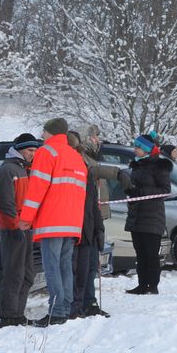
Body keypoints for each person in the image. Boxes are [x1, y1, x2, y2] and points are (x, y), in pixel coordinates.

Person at [19, 118, 88, 326]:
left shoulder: (46, 152)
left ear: (50, 132)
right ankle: (65, 308)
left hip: (52, 221)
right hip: (72, 222)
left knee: (52, 267)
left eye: (44, 131)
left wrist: (26, 218)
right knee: (65, 266)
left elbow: (36, 189)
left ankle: (56, 311)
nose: (42, 135)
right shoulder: (76, 157)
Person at [0, 133, 40, 328]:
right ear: (20, 149)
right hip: (13, 229)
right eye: (30, 150)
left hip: (27, 228)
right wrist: (15, 226)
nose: (32, 154)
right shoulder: (8, 170)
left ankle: (18, 313)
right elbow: (6, 203)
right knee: (14, 274)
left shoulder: (25, 169)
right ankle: (8, 316)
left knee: (27, 274)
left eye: (35, 150)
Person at [67, 130, 109, 317]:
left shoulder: (85, 163)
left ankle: (89, 302)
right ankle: (75, 304)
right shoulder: (73, 165)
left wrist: (99, 228)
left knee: (90, 268)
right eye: (93, 137)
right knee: (77, 270)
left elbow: (92, 202)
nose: (96, 140)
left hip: (90, 225)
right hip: (77, 227)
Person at [124, 132, 172, 293]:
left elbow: (165, 190)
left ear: (146, 149)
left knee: (151, 253)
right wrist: (129, 190)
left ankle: (153, 285)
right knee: (140, 253)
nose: (135, 150)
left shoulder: (159, 166)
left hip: (152, 216)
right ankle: (142, 284)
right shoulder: (137, 165)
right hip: (136, 215)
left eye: (138, 147)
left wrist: (142, 192)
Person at [76, 123, 130, 221]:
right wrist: (117, 173)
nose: (97, 140)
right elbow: (93, 171)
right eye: (94, 137)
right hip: (87, 212)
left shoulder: (93, 156)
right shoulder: (81, 157)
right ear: (85, 138)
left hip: (94, 211)